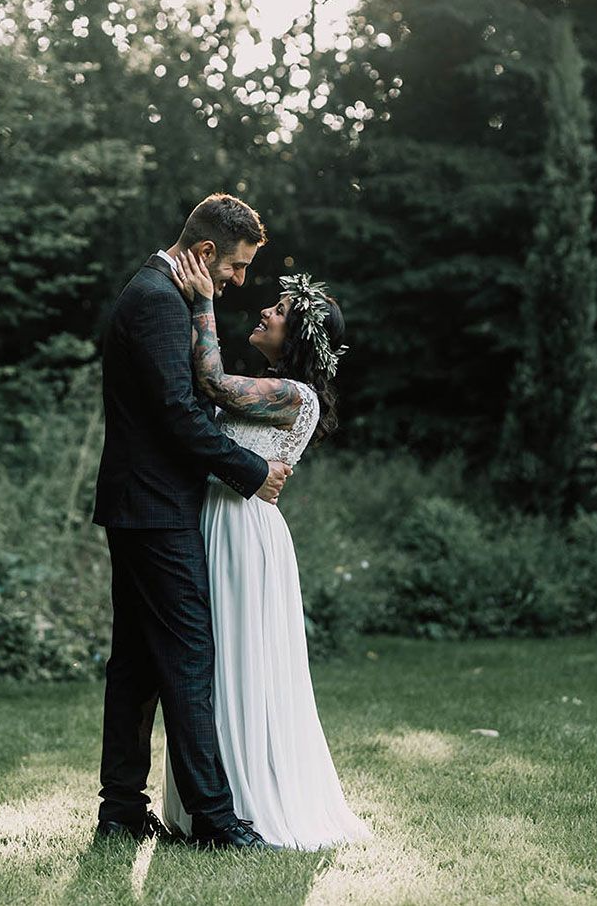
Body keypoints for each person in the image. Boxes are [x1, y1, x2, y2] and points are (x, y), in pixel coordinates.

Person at [92, 193, 291, 852]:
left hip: (142, 504)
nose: (237, 282)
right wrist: (249, 471)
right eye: (235, 267)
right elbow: (177, 415)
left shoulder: (160, 293)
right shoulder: (155, 300)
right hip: (151, 508)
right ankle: (214, 819)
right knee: (186, 657)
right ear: (206, 253)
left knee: (141, 662)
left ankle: (121, 809)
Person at [161, 248, 371, 851]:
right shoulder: (280, 388)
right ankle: (209, 801)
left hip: (244, 533)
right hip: (216, 521)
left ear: (299, 338)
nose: (265, 311)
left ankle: (245, 803)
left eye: (277, 311)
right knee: (211, 662)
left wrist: (202, 304)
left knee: (237, 661)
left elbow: (212, 383)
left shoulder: (295, 395)